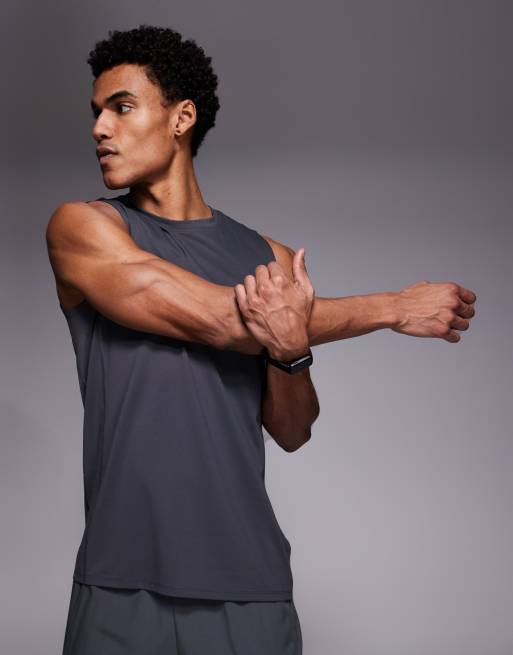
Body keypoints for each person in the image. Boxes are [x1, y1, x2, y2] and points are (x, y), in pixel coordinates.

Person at [46, 24, 476, 655]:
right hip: (121, 580)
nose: (99, 129)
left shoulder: (267, 257)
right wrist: (393, 307)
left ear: (181, 117)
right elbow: (221, 319)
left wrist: (292, 349)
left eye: (122, 107)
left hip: (249, 583)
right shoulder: (83, 229)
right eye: (96, 112)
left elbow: (293, 430)